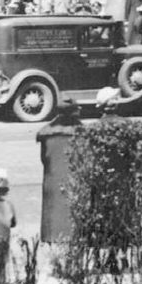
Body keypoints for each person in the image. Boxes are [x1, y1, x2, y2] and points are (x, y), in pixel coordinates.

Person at [37, 97, 83, 243]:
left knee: (52, 209)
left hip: (52, 177)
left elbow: (44, 159)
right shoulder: (80, 133)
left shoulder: (47, 134)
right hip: (72, 177)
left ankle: (51, 238)